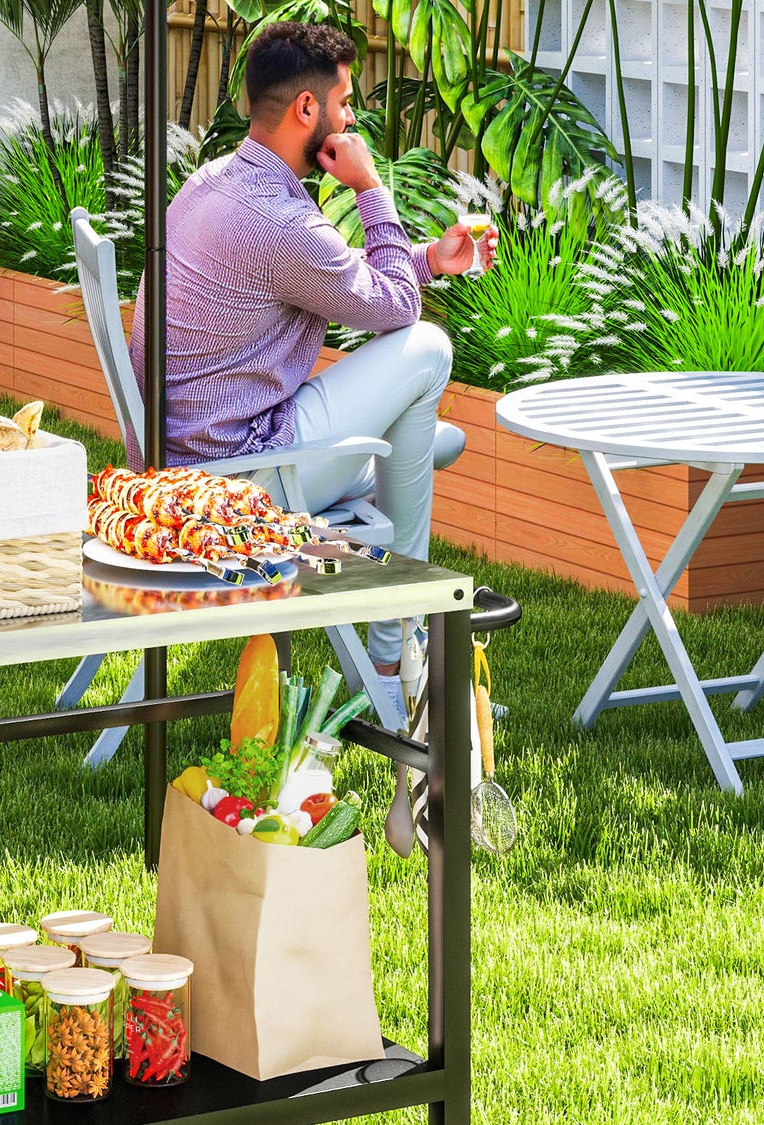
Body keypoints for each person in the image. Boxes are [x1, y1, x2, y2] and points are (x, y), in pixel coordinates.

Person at [130, 21, 496, 723]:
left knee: (422, 441)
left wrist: (426, 259)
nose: (351, 120)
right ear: (307, 108)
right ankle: (394, 653)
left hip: (178, 466)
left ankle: (402, 644)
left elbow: (342, 277)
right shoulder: (280, 221)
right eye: (344, 102)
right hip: (238, 487)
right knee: (426, 350)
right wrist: (370, 186)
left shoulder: (216, 182)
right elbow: (395, 310)